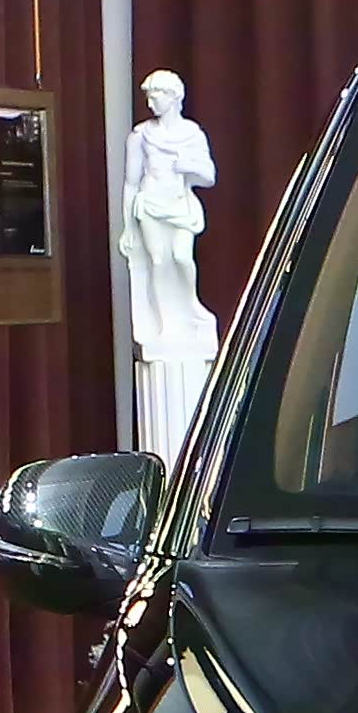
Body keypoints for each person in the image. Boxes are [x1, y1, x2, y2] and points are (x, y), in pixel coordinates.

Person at [119, 68, 217, 452]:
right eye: (148, 96)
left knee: (181, 258)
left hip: (179, 205)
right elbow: (130, 183)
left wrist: (187, 167)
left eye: (156, 95)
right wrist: (127, 228)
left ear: (175, 96)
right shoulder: (140, 136)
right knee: (159, 262)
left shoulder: (192, 134)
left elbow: (208, 175)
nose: (150, 102)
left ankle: (190, 309)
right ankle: (166, 324)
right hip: (149, 205)